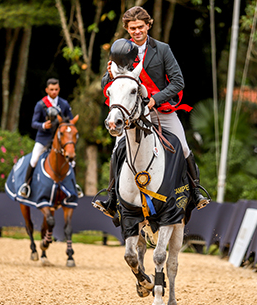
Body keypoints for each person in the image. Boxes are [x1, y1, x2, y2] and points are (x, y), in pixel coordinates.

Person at [94, 6, 209, 218]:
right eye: (132, 28)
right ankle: (111, 198)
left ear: (148, 25)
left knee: (183, 146)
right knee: (117, 149)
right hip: (133, 114)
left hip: (161, 110)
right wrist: (108, 74)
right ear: (127, 29)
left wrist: (155, 100)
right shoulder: (120, 50)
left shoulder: (162, 49)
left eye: (140, 27)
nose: (137, 32)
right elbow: (108, 83)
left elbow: (178, 82)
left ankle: (196, 192)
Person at [18, 78, 74, 198]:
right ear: (47, 90)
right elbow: (34, 123)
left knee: (72, 159)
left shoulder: (64, 104)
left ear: (59, 89)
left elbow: (70, 120)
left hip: (60, 139)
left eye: (56, 89)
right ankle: (25, 185)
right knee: (34, 159)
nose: (54, 92)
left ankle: (74, 186)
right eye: (51, 89)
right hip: (43, 138)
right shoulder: (40, 104)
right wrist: (43, 125)